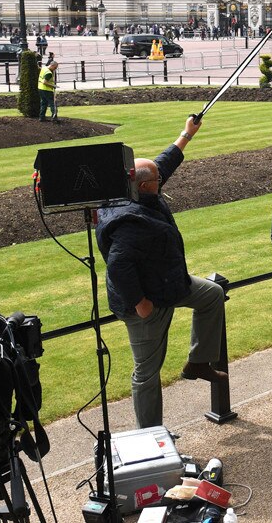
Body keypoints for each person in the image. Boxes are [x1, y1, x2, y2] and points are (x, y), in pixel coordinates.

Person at [95, 116, 227, 428]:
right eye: (157, 181)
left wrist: (186, 134)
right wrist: (140, 303)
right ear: (144, 186)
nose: (162, 181)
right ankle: (150, 437)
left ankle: (198, 362)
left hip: (168, 284)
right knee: (147, 372)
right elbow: (118, 265)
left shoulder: (137, 189)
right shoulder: (129, 219)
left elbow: (161, 165)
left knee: (212, 294)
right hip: (145, 302)